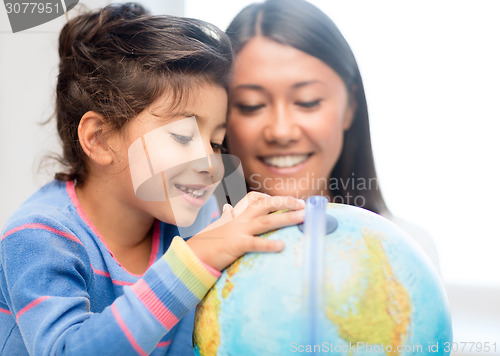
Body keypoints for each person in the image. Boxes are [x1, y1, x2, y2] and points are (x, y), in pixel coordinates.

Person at [0, 3, 305, 355]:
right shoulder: (40, 236)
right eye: (182, 136)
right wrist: (195, 260)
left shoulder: (196, 221)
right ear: (99, 139)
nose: (210, 163)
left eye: (216, 141)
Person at [224, 0, 440, 268]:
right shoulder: (194, 250)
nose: (281, 131)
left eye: (308, 101)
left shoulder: (406, 249)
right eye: (251, 105)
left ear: (350, 107)